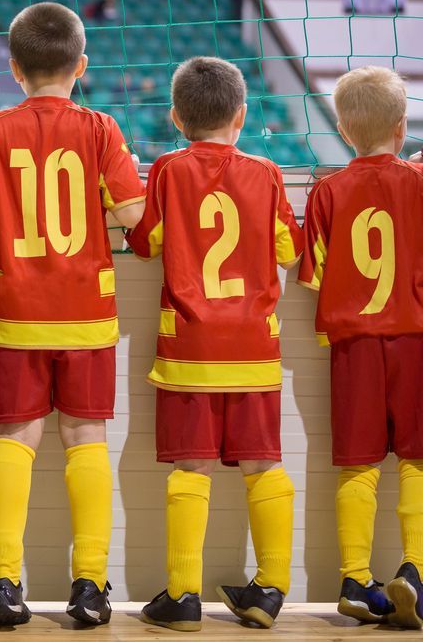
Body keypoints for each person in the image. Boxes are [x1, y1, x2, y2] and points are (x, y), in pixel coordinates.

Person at [0, 2, 146, 627]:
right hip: (86, 310)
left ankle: (3, 585)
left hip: (18, 311)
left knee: (16, 441)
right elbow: (135, 217)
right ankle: (89, 586)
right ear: (81, 66)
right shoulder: (102, 128)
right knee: (86, 440)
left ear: (14, 69)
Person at [126, 56, 301, 632]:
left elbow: (146, 242)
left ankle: (183, 597)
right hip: (253, 345)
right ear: (243, 115)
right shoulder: (269, 172)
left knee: (191, 468)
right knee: (264, 465)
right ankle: (271, 589)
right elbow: (287, 249)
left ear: (177, 118)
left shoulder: (168, 171)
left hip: (191, 348)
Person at [298, 66, 423, 629]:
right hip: (416, 337)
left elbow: (312, 276)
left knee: (358, 463)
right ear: (402, 128)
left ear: (345, 130)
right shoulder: (419, 181)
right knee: (418, 459)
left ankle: (354, 576)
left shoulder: (326, 189)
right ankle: (416, 571)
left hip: (353, 343)